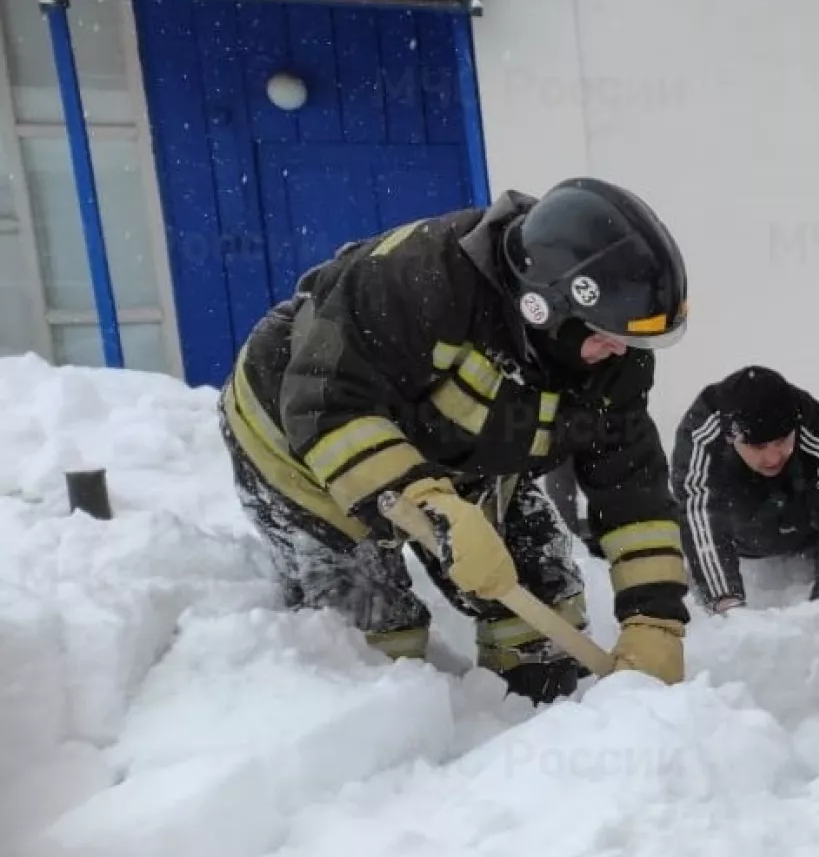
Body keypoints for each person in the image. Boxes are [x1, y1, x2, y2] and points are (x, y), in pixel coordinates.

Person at [217, 177, 693, 705]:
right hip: (303, 433)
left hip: (461, 447)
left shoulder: (610, 360)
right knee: (370, 635)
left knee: (539, 606)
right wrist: (429, 509)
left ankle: (528, 731)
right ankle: (389, 756)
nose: (622, 353)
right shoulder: (418, 279)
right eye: (608, 336)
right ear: (545, 306)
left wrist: (655, 619)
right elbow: (328, 404)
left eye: (632, 340)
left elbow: (634, 490)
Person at [669, 365, 819, 615]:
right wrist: (726, 603)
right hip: (736, 535)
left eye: (782, 441)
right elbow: (699, 511)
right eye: (758, 446)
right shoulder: (702, 432)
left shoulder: (815, 425)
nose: (773, 457)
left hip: (801, 528)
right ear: (731, 437)